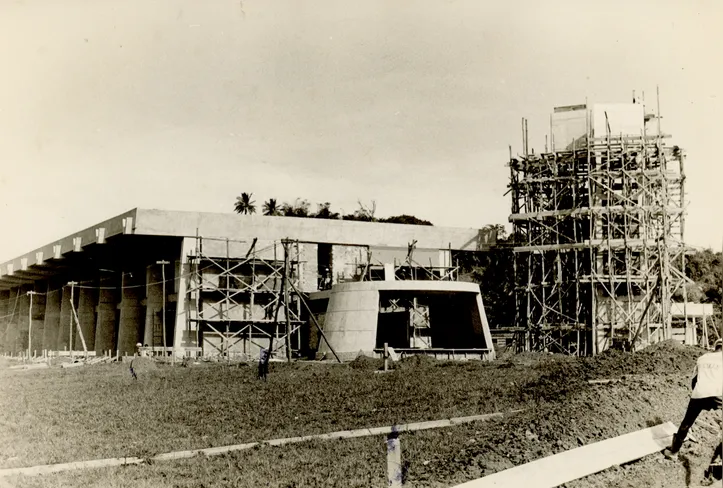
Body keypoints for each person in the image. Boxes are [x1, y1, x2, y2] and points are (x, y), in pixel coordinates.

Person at [663, 339, 723, 459]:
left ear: (714, 347)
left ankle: (674, 452)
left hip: (699, 392)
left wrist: (697, 396)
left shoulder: (702, 358)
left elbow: (694, 380)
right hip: (718, 394)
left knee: (687, 422)